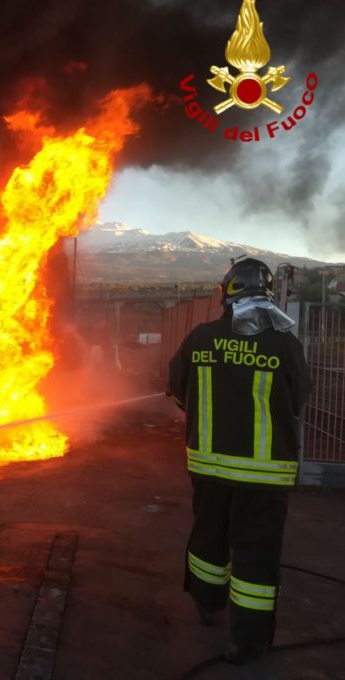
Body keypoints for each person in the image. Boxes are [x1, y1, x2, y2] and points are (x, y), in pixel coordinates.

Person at [167, 258, 312, 665]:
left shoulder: (202, 338)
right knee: (255, 555)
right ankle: (245, 643)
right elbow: (298, 397)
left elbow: (178, 390)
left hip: (209, 469)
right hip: (265, 478)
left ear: (228, 293)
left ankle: (206, 605)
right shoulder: (284, 344)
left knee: (209, 540)